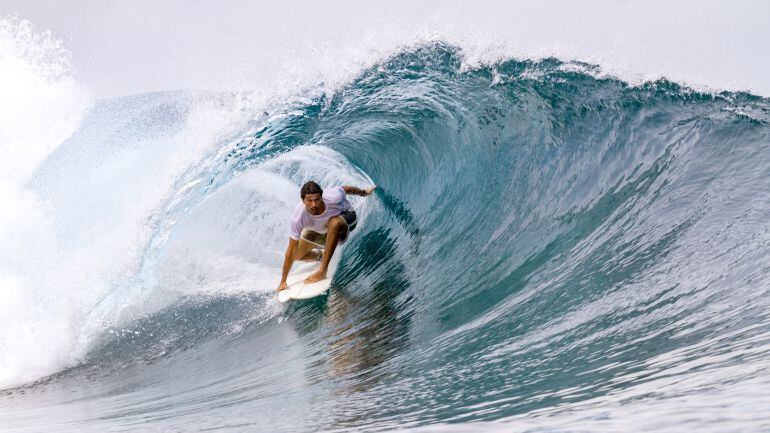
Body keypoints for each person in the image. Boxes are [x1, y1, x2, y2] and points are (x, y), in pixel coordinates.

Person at [276, 180, 377, 293]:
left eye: (317, 199)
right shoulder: (298, 217)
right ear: (303, 200)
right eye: (309, 200)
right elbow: (291, 250)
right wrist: (283, 281)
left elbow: (346, 189)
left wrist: (363, 192)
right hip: (323, 230)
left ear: (322, 197)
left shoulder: (333, 197)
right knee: (296, 255)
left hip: (347, 220)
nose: (314, 204)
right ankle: (320, 256)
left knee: (333, 222)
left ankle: (322, 270)